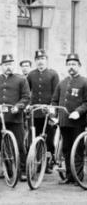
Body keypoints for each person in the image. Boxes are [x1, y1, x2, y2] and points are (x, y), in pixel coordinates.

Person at [0, 54, 30, 181]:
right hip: (0, 118)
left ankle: (23, 170)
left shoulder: (21, 80)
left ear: (13, 65)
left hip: (15, 118)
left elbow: (26, 97)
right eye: (5, 64)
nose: (8, 67)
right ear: (1, 66)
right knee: (3, 145)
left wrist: (18, 106)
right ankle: (7, 170)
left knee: (19, 146)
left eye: (10, 64)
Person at [51, 53, 87, 184]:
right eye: (69, 64)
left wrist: (78, 112)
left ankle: (78, 177)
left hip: (78, 122)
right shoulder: (62, 83)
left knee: (77, 150)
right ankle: (69, 176)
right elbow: (54, 101)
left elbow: (86, 102)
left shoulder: (84, 82)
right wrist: (54, 114)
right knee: (66, 149)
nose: (71, 67)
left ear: (79, 66)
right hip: (64, 122)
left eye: (74, 64)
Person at [27, 49, 59, 173]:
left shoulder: (53, 74)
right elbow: (27, 92)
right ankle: (38, 161)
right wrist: (29, 105)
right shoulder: (31, 75)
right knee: (36, 137)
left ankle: (49, 162)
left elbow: (56, 94)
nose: (41, 61)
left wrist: (52, 108)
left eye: (43, 59)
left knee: (49, 138)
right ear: (35, 61)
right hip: (35, 112)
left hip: (48, 112)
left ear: (46, 60)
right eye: (38, 59)